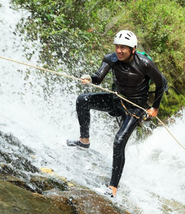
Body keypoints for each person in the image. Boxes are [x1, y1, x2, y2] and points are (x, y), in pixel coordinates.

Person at [67, 30, 168, 198]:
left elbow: (161, 84)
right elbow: (98, 77)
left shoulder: (144, 64)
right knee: (82, 100)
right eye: (117, 47)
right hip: (117, 100)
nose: (119, 51)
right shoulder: (111, 59)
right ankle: (84, 140)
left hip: (135, 107)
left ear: (133, 49)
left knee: (119, 141)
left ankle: (112, 188)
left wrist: (155, 108)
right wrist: (90, 79)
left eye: (124, 48)